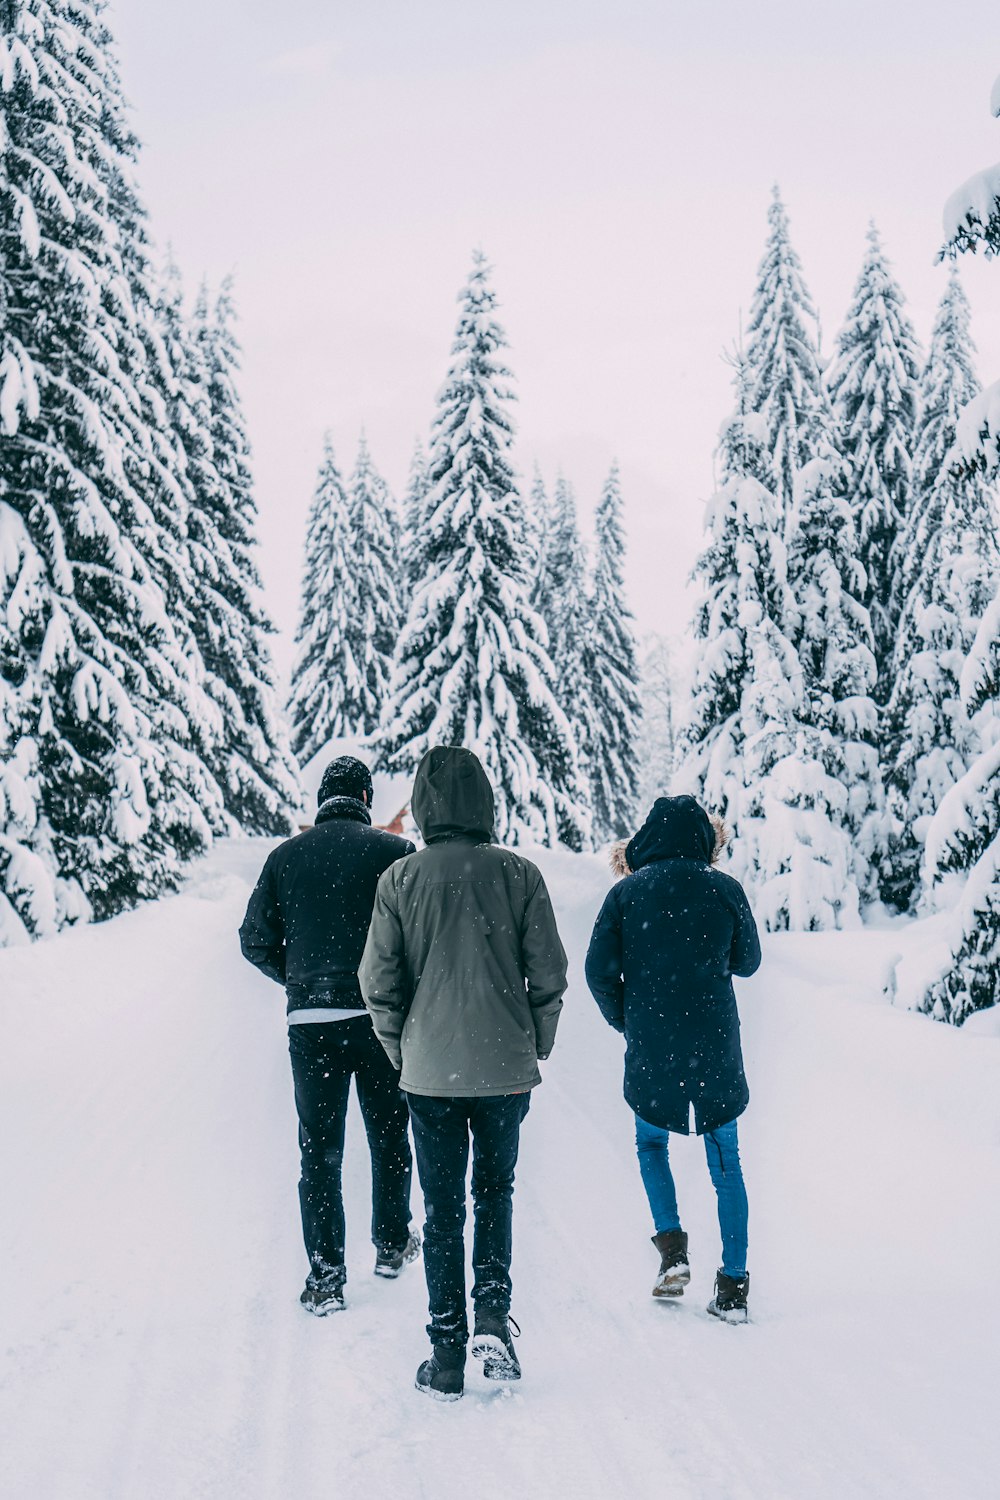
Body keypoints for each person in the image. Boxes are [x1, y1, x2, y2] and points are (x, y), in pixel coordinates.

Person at [359, 746, 567, 1400]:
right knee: (495, 1193)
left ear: (422, 807)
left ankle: (446, 1354)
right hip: (504, 1070)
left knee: (442, 1208)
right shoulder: (519, 874)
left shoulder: (399, 880)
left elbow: (377, 983)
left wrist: (404, 1052)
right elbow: (550, 976)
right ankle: (492, 1320)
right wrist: (537, 1044)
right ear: (484, 800)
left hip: (430, 1075)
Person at [239, 755, 420, 1315]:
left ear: (322, 800)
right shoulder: (395, 854)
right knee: (389, 1133)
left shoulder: (285, 858)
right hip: (376, 1020)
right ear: (365, 799)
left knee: (319, 1150)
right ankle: (391, 1245)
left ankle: (325, 1277)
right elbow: (419, 934)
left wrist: (297, 977)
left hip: (310, 1023)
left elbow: (253, 939)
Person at [584, 794, 761, 1323]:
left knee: (650, 1142)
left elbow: (597, 971)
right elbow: (748, 962)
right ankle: (732, 1286)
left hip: (652, 1045)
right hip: (715, 1044)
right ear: (704, 840)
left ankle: (672, 1255)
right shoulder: (725, 889)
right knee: (726, 1162)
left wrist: (627, 1020)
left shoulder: (626, 894)